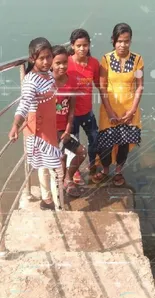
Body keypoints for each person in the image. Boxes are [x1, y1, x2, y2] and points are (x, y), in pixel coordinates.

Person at [9, 37, 64, 211]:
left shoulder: (47, 74)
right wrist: (15, 126)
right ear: (32, 59)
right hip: (39, 131)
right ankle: (55, 203)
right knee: (54, 167)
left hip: (48, 125)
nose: (47, 62)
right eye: (42, 58)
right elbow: (24, 104)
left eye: (49, 57)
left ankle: (48, 200)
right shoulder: (30, 81)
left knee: (47, 166)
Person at [92, 23, 144, 186]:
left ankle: (119, 171)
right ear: (113, 40)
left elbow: (140, 86)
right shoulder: (106, 59)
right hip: (109, 109)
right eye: (120, 41)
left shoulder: (137, 60)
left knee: (123, 142)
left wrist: (133, 110)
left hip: (129, 109)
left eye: (126, 41)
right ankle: (106, 169)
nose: (123, 45)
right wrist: (109, 111)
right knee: (106, 142)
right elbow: (102, 86)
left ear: (130, 41)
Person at [51, 45, 87, 196]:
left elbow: (71, 108)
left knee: (81, 152)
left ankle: (68, 178)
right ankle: (57, 188)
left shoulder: (71, 80)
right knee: (59, 159)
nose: (62, 66)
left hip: (64, 129)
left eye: (65, 62)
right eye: (58, 63)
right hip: (50, 131)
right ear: (51, 63)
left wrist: (67, 129)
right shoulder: (47, 83)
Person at [67, 28, 100, 183]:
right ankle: (75, 172)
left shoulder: (93, 63)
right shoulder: (65, 62)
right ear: (72, 45)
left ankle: (92, 165)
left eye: (85, 45)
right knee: (74, 145)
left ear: (89, 45)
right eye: (78, 45)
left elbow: (100, 85)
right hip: (70, 114)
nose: (82, 48)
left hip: (87, 112)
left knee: (94, 140)